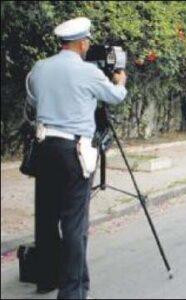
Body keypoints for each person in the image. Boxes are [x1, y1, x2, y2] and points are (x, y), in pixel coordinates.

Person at [27, 17, 127, 299]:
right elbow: (116, 97)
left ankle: (46, 278)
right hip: (73, 152)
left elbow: (33, 99)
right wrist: (121, 80)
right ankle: (72, 293)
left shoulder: (40, 67)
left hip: (44, 147)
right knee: (73, 224)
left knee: (46, 217)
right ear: (82, 43)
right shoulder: (87, 72)